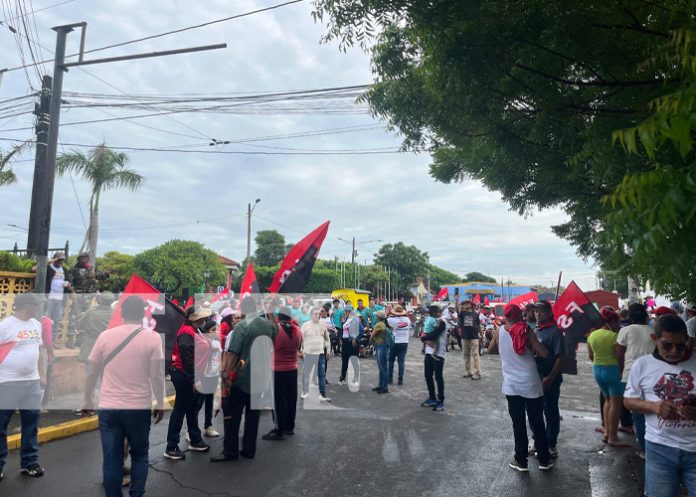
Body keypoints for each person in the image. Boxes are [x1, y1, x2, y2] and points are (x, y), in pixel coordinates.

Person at [83, 296, 165, 497]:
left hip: (109, 407)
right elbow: (156, 375)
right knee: (139, 455)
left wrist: (87, 399)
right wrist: (160, 402)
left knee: (112, 458)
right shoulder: (153, 338)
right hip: (138, 407)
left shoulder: (105, 336)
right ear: (143, 314)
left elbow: (92, 372)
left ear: (121, 313)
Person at [624, 314, 696, 497]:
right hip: (659, 449)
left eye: (680, 345)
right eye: (667, 345)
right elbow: (628, 401)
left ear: (687, 339)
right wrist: (654, 407)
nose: (674, 351)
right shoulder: (642, 365)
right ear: (654, 339)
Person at [211, 297, 278, 462]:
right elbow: (276, 330)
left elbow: (233, 353)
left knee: (233, 416)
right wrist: (269, 312)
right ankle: (249, 450)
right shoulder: (268, 325)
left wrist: (225, 377)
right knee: (252, 414)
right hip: (261, 376)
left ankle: (231, 451)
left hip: (241, 377)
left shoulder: (242, 326)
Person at [487, 303, 553, 472]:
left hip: (511, 386)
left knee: (518, 423)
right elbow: (544, 353)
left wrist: (504, 350)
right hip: (531, 383)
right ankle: (544, 460)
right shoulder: (527, 330)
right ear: (520, 315)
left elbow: (490, 350)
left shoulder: (499, 332)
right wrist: (535, 346)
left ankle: (521, 461)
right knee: (537, 421)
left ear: (506, 316)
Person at [0, 292, 46, 480]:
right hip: (7, 384)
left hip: (32, 383)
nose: (37, 309)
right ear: (26, 306)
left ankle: (29, 462)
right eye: (35, 305)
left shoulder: (36, 325)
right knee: (1, 426)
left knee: (31, 425)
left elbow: (40, 351)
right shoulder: (5, 326)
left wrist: (42, 375)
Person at [164, 307, 212, 460]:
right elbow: (187, 358)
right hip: (183, 375)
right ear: (193, 318)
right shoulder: (187, 332)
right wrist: (194, 379)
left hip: (189, 374)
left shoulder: (195, 330)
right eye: (201, 317)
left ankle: (195, 439)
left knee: (191, 408)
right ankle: (171, 446)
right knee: (181, 408)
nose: (203, 320)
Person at [587, 309, 631, 448]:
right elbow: (619, 357)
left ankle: (607, 431)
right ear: (611, 322)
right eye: (616, 321)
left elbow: (590, 356)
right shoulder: (614, 336)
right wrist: (622, 372)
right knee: (616, 405)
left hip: (597, 370)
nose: (618, 324)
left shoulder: (592, 335)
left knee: (607, 401)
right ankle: (613, 437)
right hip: (613, 370)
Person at [615, 303, 654, 457]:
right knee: (650, 410)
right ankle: (652, 447)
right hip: (652, 374)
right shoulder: (654, 331)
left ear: (630, 317)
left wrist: (621, 371)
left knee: (637, 413)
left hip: (630, 374)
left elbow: (619, 354)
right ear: (646, 316)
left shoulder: (625, 330)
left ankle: (645, 449)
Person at [530, 300, 564, 459]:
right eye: (536, 311)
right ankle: (537, 440)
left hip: (550, 376)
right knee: (535, 410)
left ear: (549, 312)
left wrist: (550, 378)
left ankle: (551, 444)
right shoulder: (536, 330)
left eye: (541, 311)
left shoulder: (555, 331)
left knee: (550, 411)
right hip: (535, 376)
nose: (538, 314)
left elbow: (560, 358)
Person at [263, 308, 301, 441]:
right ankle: (289, 427)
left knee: (279, 401)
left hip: (278, 370)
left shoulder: (276, 330)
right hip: (293, 368)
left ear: (279, 317)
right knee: (291, 399)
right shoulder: (297, 330)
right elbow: (298, 347)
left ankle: (279, 430)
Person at [33, 252, 71, 339]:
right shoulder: (48, 268)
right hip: (49, 297)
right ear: (54, 259)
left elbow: (68, 281)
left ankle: (53, 340)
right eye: (58, 259)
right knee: (45, 319)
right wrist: (50, 261)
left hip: (60, 298)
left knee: (57, 320)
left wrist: (68, 284)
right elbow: (34, 269)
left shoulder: (64, 270)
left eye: (62, 260)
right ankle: (42, 340)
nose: (60, 262)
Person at [195, 320, 221, 439]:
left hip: (214, 376)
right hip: (204, 376)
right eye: (213, 330)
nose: (216, 332)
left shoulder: (217, 342)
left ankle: (208, 426)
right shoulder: (203, 342)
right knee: (198, 404)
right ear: (207, 331)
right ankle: (192, 429)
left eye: (217, 329)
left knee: (209, 403)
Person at [301, 308, 331, 402]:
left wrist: (329, 350)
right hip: (308, 353)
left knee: (321, 374)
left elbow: (327, 338)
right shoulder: (305, 325)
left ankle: (322, 394)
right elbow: (300, 338)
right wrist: (301, 351)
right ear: (311, 315)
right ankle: (305, 392)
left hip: (320, 353)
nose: (317, 315)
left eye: (318, 314)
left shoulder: (323, 325)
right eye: (315, 313)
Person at [420, 305, 446, 411]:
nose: (438, 313)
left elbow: (434, 335)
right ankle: (432, 398)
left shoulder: (442, 322)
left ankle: (440, 401)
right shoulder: (432, 320)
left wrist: (423, 338)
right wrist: (424, 339)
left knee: (438, 377)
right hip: (429, 352)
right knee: (428, 375)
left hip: (439, 354)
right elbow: (428, 333)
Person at [78, 292, 115, 364]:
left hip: (91, 347)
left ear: (99, 300)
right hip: (108, 348)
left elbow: (79, 325)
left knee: (90, 371)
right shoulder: (116, 314)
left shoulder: (91, 312)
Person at [338, 305, 364, 386]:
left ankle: (355, 379)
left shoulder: (355, 319)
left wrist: (355, 338)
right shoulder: (346, 320)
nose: (344, 313)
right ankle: (342, 378)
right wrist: (341, 339)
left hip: (352, 342)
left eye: (346, 311)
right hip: (345, 342)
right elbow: (344, 331)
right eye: (345, 311)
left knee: (354, 361)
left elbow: (361, 330)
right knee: (344, 360)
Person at [387, 305, 410, 386]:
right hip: (404, 342)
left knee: (390, 361)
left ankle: (390, 378)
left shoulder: (390, 320)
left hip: (394, 342)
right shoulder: (407, 320)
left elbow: (386, 323)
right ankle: (400, 379)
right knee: (401, 361)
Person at [458, 300, 481, 379]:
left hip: (474, 337)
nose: (465, 305)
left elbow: (478, 325)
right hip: (464, 337)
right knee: (466, 355)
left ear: (471, 305)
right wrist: (457, 300)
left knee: (475, 355)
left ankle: (477, 373)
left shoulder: (475, 314)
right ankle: (468, 371)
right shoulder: (462, 313)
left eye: (467, 303)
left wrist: (482, 335)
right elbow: (457, 309)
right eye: (464, 304)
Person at [371, 311, 390, 394]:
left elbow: (372, 335)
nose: (375, 317)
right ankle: (381, 385)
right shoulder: (383, 324)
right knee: (382, 368)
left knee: (383, 368)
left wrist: (370, 341)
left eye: (376, 316)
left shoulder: (379, 324)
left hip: (381, 346)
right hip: (383, 346)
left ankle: (384, 387)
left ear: (378, 317)